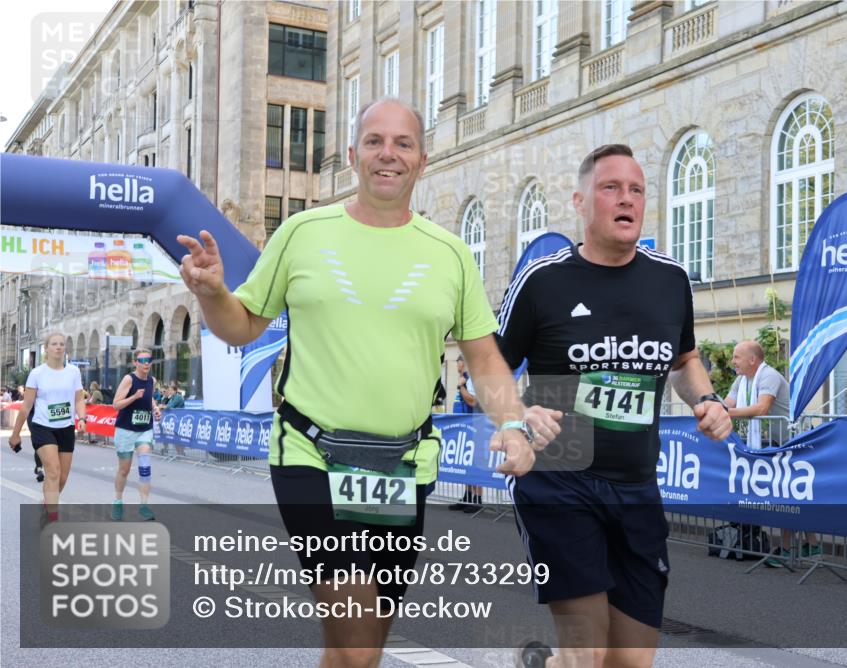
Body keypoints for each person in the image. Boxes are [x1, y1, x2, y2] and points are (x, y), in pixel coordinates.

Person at [177, 97, 561, 668]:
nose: (389, 154)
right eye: (376, 142)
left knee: (362, 642)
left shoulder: (451, 254)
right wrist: (212, 293)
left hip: (402, 466)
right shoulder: (303, 231)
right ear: (353, 155)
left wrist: (508, 422)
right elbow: (243, 327)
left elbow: (483, 357)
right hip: (312, 454)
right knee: (356, 637)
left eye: (403, 143)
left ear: (422, 160)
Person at [496, 144, 732, 668]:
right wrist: (516, 416)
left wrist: (709, 399)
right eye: (611, 188)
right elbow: (487, 369)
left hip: (635, 485)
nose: (626, 199)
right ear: (580, 202)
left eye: (636, 190)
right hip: (559, 477)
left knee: (630, 662)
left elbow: (686, 361)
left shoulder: (669, 280)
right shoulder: (544, 280)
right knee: (588, 653)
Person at [724, 340, 819, 565]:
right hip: (782, 441)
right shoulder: (742, 380)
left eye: (737, 357)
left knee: (789, 495)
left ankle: (791, 549)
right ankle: (809, 546)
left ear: (752, 360)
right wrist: (711, 407)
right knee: (788, 495)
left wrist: (726, 414)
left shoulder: (769, 376)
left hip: (800, 440)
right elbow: (726, 403)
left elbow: (761, 408)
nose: (732, 361)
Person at [7, 332, 86, 522]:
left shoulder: (73, 372)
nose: (58, 347)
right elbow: (26, 406)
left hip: (66, 428)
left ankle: (47, 504)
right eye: (54, 344)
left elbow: (78, 399)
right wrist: (15, 434)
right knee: (52, 471)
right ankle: (52, 519)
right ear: (47, 348)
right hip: (42, 426)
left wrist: (82, 418)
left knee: (62, 478)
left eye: (61, 344)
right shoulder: (37, 374)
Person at [110, 348, 162, 521]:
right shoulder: (129, 379)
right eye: (142, 360)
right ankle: (118, 501)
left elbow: (149, 398)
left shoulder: (152, 380)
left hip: (144, 430)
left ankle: (144, 506)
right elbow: (116, 405)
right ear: (135, 363)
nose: (146, 363)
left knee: (145, 466)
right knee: (124, 470)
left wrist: (155, 409)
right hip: (126, 430)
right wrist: (133, 397)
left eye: (149, 360)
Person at [449, 354, 485, 513]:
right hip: (464, 428)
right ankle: (468, 496)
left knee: (475, 463)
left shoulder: (470, 379)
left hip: (474, 427)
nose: (457, 365)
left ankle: (477, 499)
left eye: (458, 362)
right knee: (466, 463)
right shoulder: (463, 378)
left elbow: (474, 401)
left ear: (464, 363)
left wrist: (461, 387)